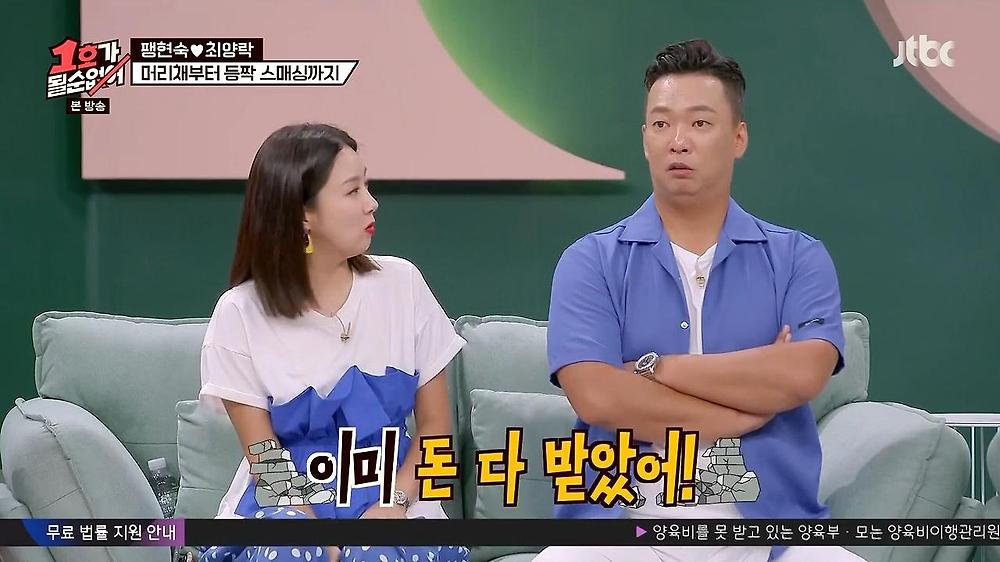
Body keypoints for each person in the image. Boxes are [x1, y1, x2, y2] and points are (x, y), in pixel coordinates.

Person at [534, 40, 866, 562]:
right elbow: (598, 399)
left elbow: (802, 376)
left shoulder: (798, 257)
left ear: (738, 138)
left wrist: (652, 368)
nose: (678, 141)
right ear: (645, 139)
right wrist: (747, 410)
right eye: (661, 124)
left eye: (700, 123)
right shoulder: (590, 260)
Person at [198, 123, 470, 562]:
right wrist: (317, 538)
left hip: (394, 499)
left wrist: (394, 502)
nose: (371, 202)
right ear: (302, 215)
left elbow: (436, 430)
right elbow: (265, 458)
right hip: (287, 506)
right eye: (352, 190)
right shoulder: (239, 313)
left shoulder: (403, 285)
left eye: (367, 185)